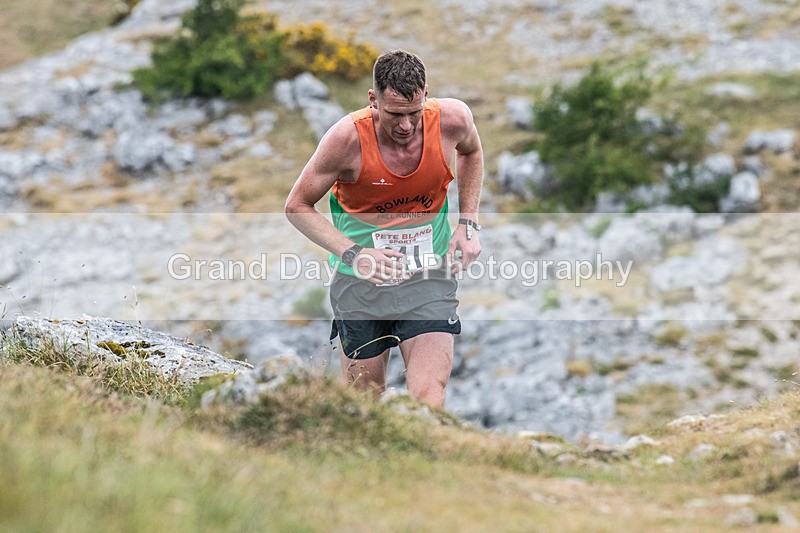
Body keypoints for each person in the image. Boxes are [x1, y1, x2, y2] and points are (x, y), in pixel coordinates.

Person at [285, 49, 483, 408]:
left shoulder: (452, 119)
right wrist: (356, 254)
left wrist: (467, 223)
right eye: (395, 114)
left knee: (429, 397)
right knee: (365, 404)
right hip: (360, 284)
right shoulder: (346, 140)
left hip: (428, 277)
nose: (406, 126)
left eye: (414, 113)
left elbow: (471, 151)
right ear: (373, 100)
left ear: (426, 95)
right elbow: (297, 206)